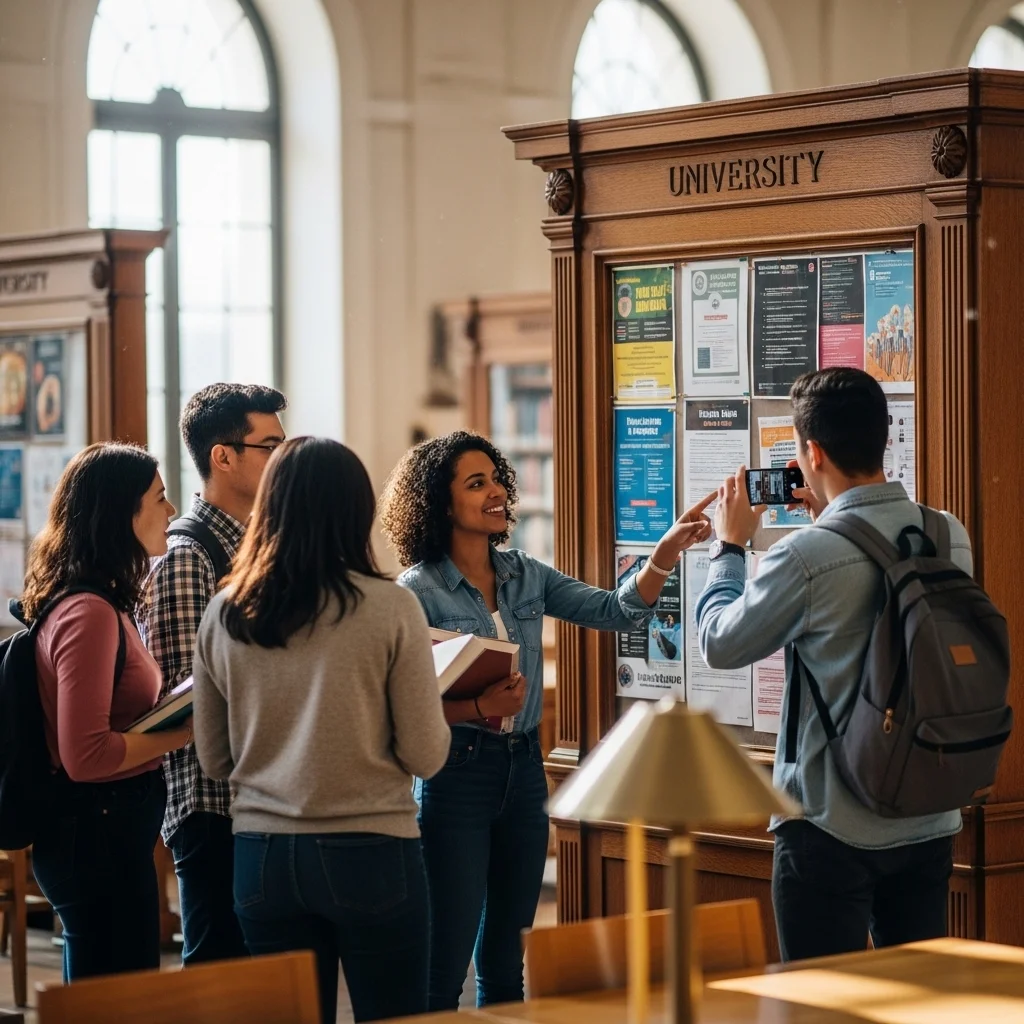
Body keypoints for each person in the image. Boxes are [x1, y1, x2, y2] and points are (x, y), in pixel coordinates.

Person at [378, 430, 713, 1010]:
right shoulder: (415, 592)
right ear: (439, 501)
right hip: (454, 775)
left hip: (524, 771)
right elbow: (396, 705)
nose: (497, 493)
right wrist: (478, 709)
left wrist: (664, 553)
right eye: (475, 483)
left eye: (497, 479)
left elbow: (617, 610)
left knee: (508, 963)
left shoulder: (525, 573)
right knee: (444, 960)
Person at [694, 367, 972, 962]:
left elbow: (720, 641)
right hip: (929, 810)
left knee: (819, 1005)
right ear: (882, 436)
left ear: (811, 452)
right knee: (914, 1002)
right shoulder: (949, 535)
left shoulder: (807, 554)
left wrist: (730, 547)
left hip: (829, 824)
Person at [191, 437, 450, 1024]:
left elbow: (213, 757)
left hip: (261, 856)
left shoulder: (225, 611)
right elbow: (426, 754)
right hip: (373, 850)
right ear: (356, 510)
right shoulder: (390, 608)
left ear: (270, 506)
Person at [24, 442, 192, 980]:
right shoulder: (89, 612)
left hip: (108, 833)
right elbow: (86, 755)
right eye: (160, 499)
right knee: (112, 999)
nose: (170, 512)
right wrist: (184, 730)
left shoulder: (106, 602)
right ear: (121, 513)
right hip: (93, 836)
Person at [137, 382, 286, 966]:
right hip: (213, 804)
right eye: (269, 445)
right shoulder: (188, 554)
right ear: (222, 456)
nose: (282, 458)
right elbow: (186, 695)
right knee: (221, 977)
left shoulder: (262, 545)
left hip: (266, 796)